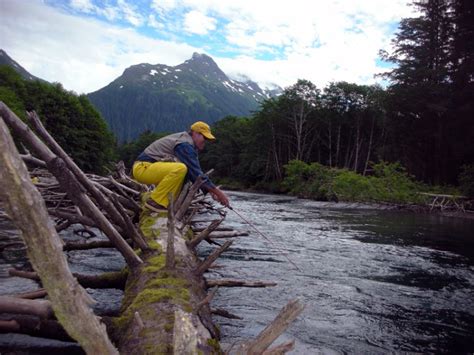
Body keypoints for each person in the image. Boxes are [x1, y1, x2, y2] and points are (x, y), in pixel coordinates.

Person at [132, 121, 230, 212]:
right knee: (180, 168)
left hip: (149, 169)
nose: (205, 142)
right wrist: (218, 193)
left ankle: (166, 203)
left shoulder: (188, 145)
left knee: (184, 173)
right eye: (205, 138)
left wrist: (211, 191)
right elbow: (197, 174)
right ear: (196, 133)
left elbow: (195, 175)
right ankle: (155, 203)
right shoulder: (184, 145)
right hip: (142, 168)